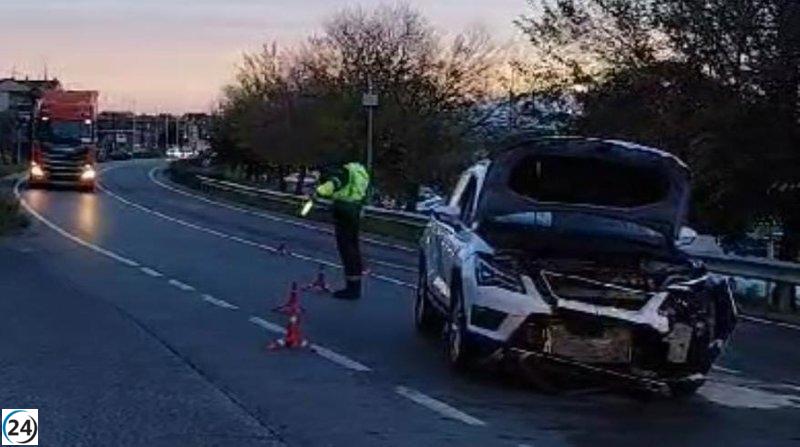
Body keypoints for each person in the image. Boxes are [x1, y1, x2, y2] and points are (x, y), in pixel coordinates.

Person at [314, 162, 370, 300]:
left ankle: (351, 290)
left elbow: (333, 185)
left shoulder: (344, 171)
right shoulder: (360, 170)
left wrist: (318, 190)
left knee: (346, 249)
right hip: (355, 209)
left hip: (344, 210)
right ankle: (355, 287)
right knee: (353, 247)